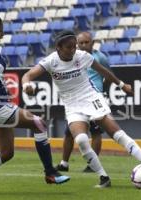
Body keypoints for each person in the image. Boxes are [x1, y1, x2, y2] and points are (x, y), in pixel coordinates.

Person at [22, 30, 141, 188]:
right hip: (72, 105)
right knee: (81, 140)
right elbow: (27, 75)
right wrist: (27, 86)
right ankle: (103, 177)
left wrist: (122, 85)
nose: (73, 50)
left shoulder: (82, 56)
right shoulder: (51, 61)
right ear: (58, 48)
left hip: (91, 98)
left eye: (75, 46)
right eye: (69, 47)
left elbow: (104, 71)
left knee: (116, 133)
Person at [0, 9, 69, 195]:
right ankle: (50, 172)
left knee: (6, 153)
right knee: (38, 123)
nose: (3, 33)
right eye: (0, 30)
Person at [56, 32, 109, 173]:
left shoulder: (100, 57)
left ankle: (93, 164)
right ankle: (64, 163)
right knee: (69, 132)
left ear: (93, 42)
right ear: (77, 44)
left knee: (96, 133)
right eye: (81, 43)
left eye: (87, 42)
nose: (84, 45)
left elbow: (107, 74)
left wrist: (101, 92)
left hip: (93, 99)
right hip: (78, 102)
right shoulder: (74, 58)